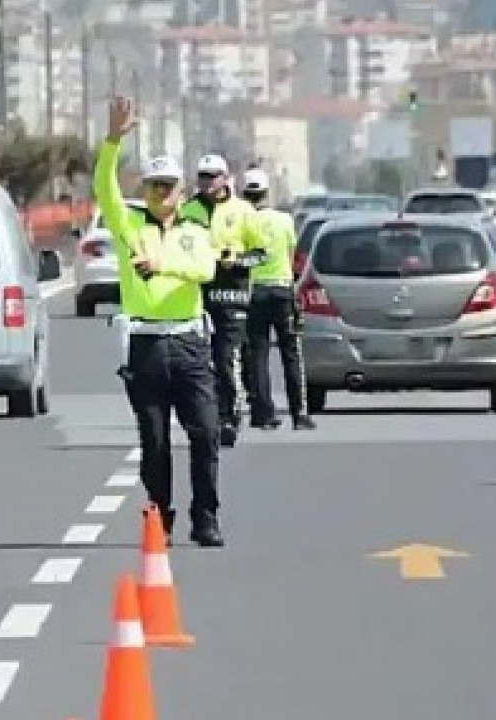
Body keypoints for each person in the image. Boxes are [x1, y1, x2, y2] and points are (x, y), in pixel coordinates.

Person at [94, 95, 225, 548]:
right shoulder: (130, 226)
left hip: (189, 344)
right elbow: (104, 188)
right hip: (147, 345)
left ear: (182, 193)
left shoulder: (193, 233)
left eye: (168, 186)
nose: (160, 193)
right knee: (154, 441)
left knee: (206, 431)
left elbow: (206, 270)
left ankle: (205, 515)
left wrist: (164, 264)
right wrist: (112, 141)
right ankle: (159, 516)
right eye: (153, 185)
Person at [180, 154, 267, 448]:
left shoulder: (243, 211)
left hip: (233, 294)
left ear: (226, 178)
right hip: (197, 294)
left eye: (213, 176)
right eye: (202, 176)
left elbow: (261, 253)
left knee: (225, 358)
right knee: (197, 362)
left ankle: (229, 416)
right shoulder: (188, 210)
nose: (207, 182)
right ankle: (205, 416)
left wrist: (238, 261)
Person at [240, 168, 316, 431]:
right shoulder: (284, 220)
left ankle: (264, 414)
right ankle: (300, 414)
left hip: (254, 292)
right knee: (291, 352)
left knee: (257, 354)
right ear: (266, 193)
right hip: (283, 291)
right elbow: (292, 252)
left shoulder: (243, 221)